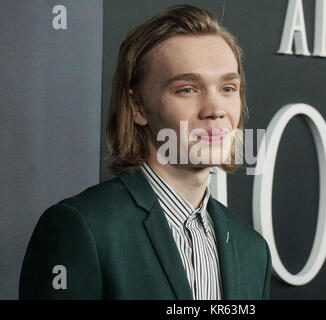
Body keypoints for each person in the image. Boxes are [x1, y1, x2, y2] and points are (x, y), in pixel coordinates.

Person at [19, 4, 272, 300]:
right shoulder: (83, 228)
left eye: (228, 88)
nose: (215, 110)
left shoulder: (252, 249)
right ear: (138, 107)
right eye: (188, 89)